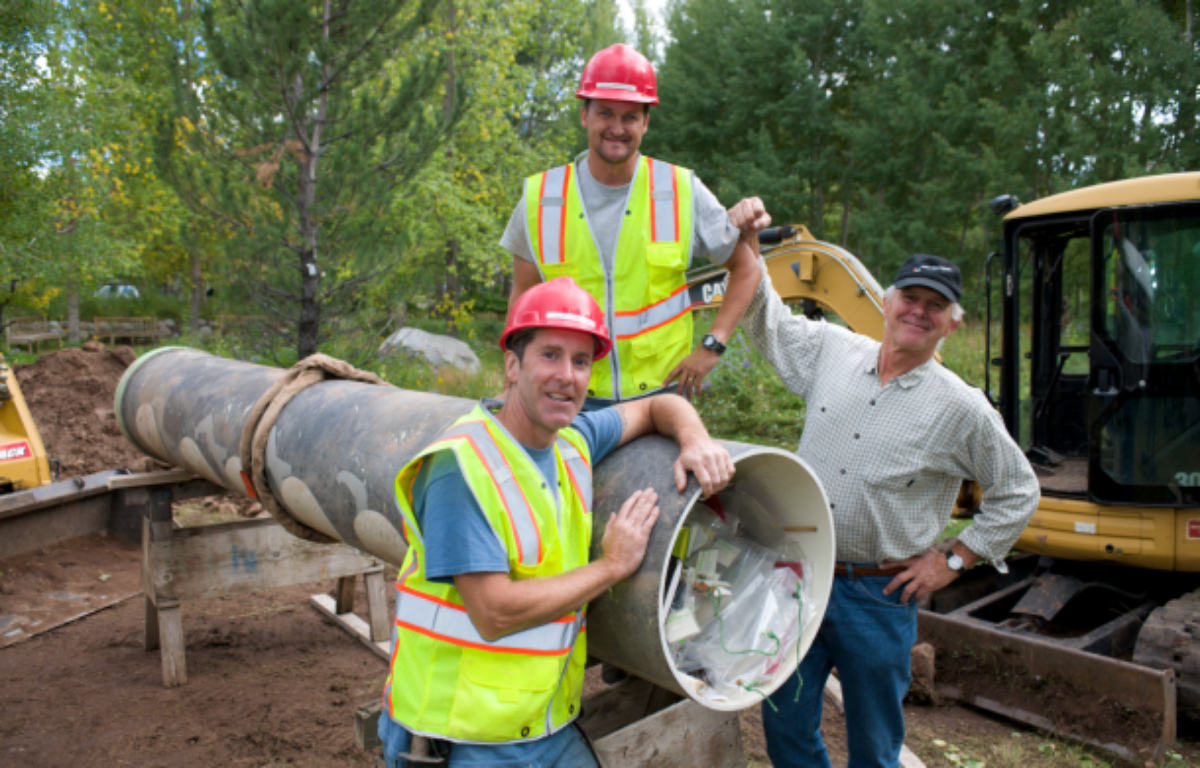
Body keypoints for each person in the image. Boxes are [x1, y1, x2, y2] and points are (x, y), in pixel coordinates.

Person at [379, 276, 735, 767]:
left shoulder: (573, 442)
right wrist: (612, 566)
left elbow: (659, 405)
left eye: (581, 361)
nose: (567, 375)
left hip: (543, 723)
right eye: (549, 355)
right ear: (511, 365)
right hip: (461, 738)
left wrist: (695, 439)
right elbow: (494, 612)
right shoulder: (461, 467)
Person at [739, 247, 1040, 768]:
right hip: (799, 575)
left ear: (952, 323)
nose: (919, 311)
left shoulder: (961, 408)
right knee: (784, 723)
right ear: (886, 300)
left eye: (935, 305)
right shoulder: (831, 351)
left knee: (875, 745)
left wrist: (952, 562)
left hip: (877, 595)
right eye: (911, 297)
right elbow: (768, 322)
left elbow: (1018, 490)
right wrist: (743, 247)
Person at [500, 43, 768, 409]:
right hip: (567, 397)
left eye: (629, 117)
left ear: (645, 122)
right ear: (585, 116)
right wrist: (512, 380)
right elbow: (522, 298)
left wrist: (712, 346)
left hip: (660, 395)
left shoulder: (679, 190)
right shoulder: (541, 198)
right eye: (605, 113)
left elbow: (747, 270)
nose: (616, 128)